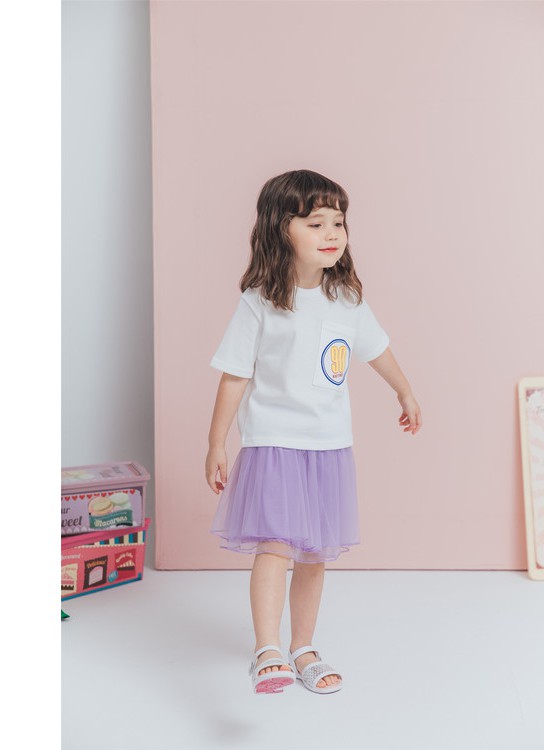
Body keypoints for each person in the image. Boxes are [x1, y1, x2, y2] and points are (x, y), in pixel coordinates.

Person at [205, 169, 422, 694]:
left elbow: (376, 349)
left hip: (328, 446)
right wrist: (216, 442)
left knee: (315, 555)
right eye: (316, 223)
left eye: (338, 223)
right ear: (281, 229)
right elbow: (235, 375)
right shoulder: (260, 300)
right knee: (275, 547)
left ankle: (303, 646)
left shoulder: (346, 298)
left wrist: (405, 391)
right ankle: (268, 649)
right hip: (274, 443)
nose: (332, 234)